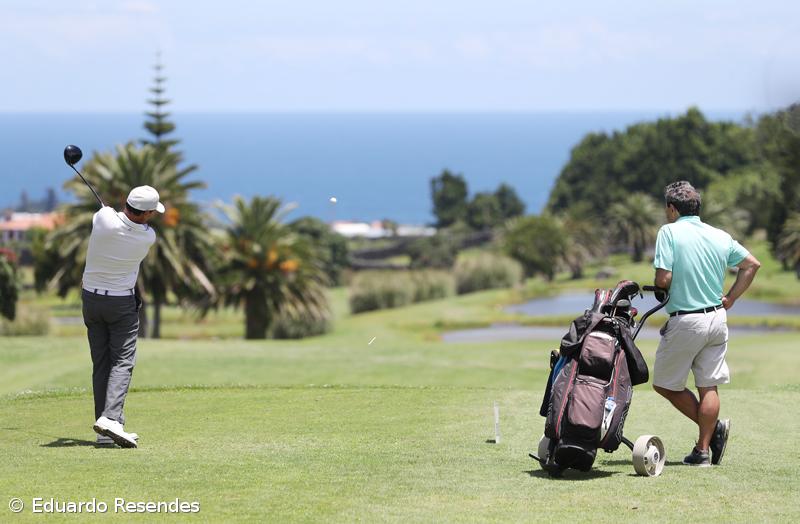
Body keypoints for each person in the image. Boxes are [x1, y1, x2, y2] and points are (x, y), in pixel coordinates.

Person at [652, 181, 760, 467]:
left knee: (665, 384)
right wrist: (732, 299)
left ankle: (712, 435)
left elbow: (662, 280)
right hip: (716, 319)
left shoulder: (669, 232)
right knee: (708, 385)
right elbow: (752, 264)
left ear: (672, 208)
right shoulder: (719, 235)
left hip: (686, 321)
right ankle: (702, 452)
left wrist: (666, 285)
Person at [82, 185, 164, 448]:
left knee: (102, 363)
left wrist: (111, 210)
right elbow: (127, 221)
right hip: (120, 304)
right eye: (152, 212)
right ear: (147, 213)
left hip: (91, 300)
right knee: (123, 361)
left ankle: (103, 428)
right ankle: (111, 420)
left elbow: (107, 214)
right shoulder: (147, 237)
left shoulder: (103, 219)